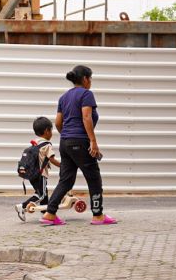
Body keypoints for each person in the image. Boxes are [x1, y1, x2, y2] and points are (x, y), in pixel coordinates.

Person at [41, 65, 117, 226]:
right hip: (81, 141)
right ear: (85, 79)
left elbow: (58, 123)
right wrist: (93, 142)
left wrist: (67, 137)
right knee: (93, 178)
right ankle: (98, 215)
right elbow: (86, 117)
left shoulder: (64, 97)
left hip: (65, 142)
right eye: (90, 78)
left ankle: (50, 213)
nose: (90, 82)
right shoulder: (86, 94)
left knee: (66, 180)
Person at [14, 116, 60, 222]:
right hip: (40, 175)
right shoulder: (46, 145)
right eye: (51, 130)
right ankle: (23, 206)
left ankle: (46, 213)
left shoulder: (35, 142)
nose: (52, 133)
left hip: (32, 174)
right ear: (47, 131)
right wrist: (63, 166)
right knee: (42, 194)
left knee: (43, 192)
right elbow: (52, 159)